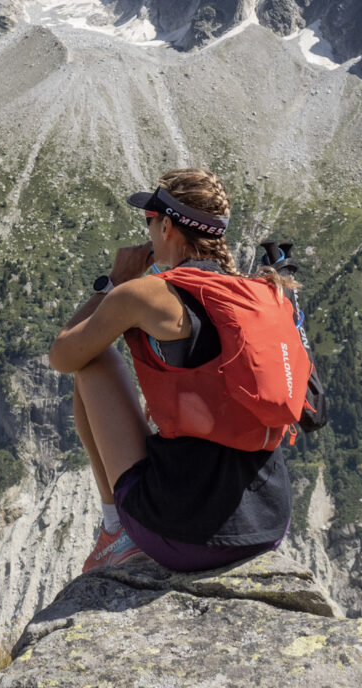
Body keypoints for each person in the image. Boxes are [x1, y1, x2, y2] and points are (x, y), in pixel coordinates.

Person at [49, 168, 296, 573]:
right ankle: (120, 527)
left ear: (166, 226)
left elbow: (63, 354)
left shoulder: (146, 294)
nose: (147, 232)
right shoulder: (258, 295)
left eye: (149, 222)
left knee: (93, 360)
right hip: (267, 524)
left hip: (184, 534)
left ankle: (116, 531)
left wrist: (114, 283)